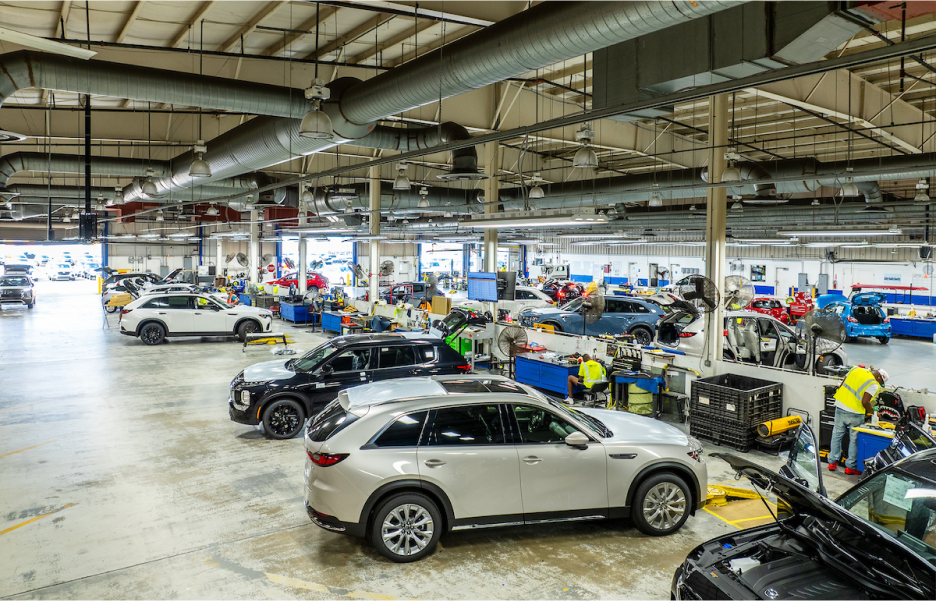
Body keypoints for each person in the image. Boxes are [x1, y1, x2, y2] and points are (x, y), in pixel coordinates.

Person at [829, 366, 888, 475]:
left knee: (836, 435)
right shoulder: (873, 383)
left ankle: (832, 462)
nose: (879, 384)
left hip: (840, 406)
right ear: (879, 377)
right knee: (854, 439)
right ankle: (850, 467)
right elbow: (865, 402)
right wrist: (874, 412)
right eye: (881, 382)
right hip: (855, 413)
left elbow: (842, 385)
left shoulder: (855, 369)